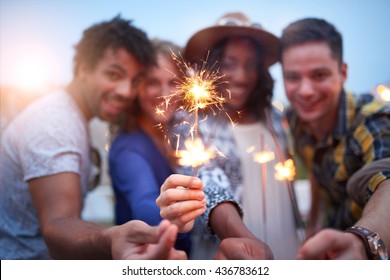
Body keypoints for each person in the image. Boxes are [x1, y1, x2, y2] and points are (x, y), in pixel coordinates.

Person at [0, 16, 189, 260]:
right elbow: (57, 223)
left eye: (134, 81)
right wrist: (111, 237)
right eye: (113, 74)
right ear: (83, 69)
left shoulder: (73, 116)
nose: (126, 91)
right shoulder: (54, 122)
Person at [157, 12, 300, 259]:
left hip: (287, 244)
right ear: (210, 67)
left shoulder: (274, 119)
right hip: (231, 252)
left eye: (250, 65)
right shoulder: (189, 120)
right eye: (228, 64)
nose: (241, 76)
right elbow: (206, 184)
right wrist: (245, 239)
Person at [279, 18, 390, 259]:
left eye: (319, 75)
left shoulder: (372, 120)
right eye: (293, 77)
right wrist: (313, 229)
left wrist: (362, 242)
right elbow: (318, 175)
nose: (305, 91)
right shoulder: (296, 120)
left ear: (343, 72)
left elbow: (387, 180)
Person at [108, 39, 194, 257]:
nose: (164, 93)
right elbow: (144, 204)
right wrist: (177, 216)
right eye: (153, 82)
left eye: (173, 82)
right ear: (137, 87)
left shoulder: (176, 136)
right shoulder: (128, 149)